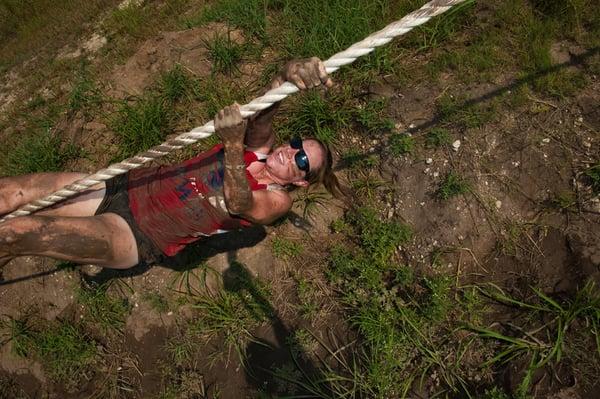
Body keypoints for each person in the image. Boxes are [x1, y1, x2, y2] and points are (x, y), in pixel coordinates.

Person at [0, 58, 343, 270]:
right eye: (297, 143)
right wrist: (292, 71)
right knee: (12, 193)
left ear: (300, 182)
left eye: (300, 160)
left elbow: (240, 202)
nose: (290, 151)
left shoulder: (278, 201)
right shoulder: (261, 147)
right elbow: (272, 98)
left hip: (137, 235)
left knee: (14, 233)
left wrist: (233, 145)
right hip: (127, 185)